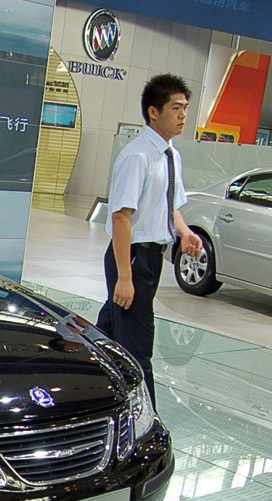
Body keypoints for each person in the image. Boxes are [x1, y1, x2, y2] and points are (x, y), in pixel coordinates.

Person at [96, 73, 202, 409]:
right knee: (138, 348)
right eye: (175, 108)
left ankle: (94, 397)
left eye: (185, 107)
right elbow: (121, 217)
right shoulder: (138, 156)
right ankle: (147, 418)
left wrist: (185, 232)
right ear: (154, 112)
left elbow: (169, 206)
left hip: (151, 258)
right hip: (132, 258)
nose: (183, 115)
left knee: (107, 337)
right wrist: (125, 277)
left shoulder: (170, 155)